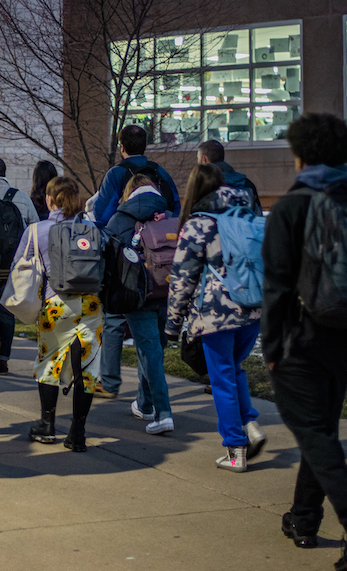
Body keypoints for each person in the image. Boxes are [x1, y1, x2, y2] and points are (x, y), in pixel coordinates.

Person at [261, 114, 347, 571]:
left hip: (302, 334)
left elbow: (276, 285)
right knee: (322, 432)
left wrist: (271, 346)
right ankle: (304, 518)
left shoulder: (292, 208)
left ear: (300, 156)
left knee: (312, 432)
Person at [166, 164, 264, 465]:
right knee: (234, 369)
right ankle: (250, 424)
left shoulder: (198, 224)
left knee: (221, 378)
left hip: (216, 315)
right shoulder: (247, 215)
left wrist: (172, 324)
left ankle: (236, 450)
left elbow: (182, 278)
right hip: (252, 309)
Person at [10, 176, 103, 452]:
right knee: (87, 368)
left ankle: (46, 424)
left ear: (49, 199)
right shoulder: (92, 227)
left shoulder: (37, 230)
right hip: (91, 305)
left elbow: (20, 266)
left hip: (56, 303)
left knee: (49, 362)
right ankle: (78, 433)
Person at [94, 125, 180, 400]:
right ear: (145, 145)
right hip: (159, 265)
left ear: (121, 146)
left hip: (126, 260)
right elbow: (175, 208)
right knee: (154, 332)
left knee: (114, 318)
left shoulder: (116, 174)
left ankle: (109, 381)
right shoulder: (160, 173)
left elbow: (101, 214)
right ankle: (146, 395)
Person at [105, 175, 174, 435]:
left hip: (137, 295)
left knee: (150, 352)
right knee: (156, 349)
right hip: (167, 290)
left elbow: (109, 258)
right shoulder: (169, 215)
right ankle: (144, 403)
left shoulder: (119, 219)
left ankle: (163, 413)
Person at [0, 155, 39, 373]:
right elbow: (35, 229)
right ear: (4, 174)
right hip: (13, 267)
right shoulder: (20, 197)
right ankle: (3, 359)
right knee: (6, 310)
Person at [197, 139, 262, 214]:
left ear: (203, 159)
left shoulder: (201, 186)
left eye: (198, 159)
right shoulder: (248, 185)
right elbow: (257, 216)